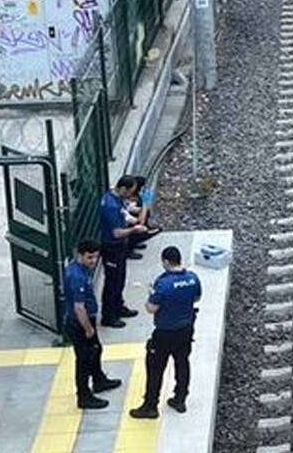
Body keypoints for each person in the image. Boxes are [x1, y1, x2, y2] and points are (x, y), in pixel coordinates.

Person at [130, 246, 202, 419]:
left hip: (164, 333)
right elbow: (197, 298)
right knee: (182, 363)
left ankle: (150, 406)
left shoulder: (162, 283)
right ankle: (180, 399)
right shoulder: (193, 278)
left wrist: (150, 295)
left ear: (166, 262)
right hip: (185, 329)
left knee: (155, 369)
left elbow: (151, 308)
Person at [64, 239, 121, 408]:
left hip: (85, 320)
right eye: (89, 257)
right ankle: (83, 396)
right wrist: (88, 329)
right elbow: (79, 308)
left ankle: (99, 380)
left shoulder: (80, 269)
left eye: (95, 257)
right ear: (79, 255)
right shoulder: (77, 277)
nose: (93, 261)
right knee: (84, 359)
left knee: (96, 350)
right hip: (80, 323)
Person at [99, 177, 146, 328]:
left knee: (119, 279)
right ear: (123, 189)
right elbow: (117, 233)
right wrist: (134, 229)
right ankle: (109, 316)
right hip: (112, 247)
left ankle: (118, 307)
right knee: (112, 282)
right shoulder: (111, 206)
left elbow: (123, 213)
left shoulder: (113, 198)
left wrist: (130, 219)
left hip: (118, 247)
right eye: (131, 191)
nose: (132, 195)